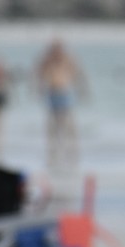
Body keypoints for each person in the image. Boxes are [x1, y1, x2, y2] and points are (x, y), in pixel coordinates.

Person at [36, 38, 87, 169]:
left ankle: (72, 155)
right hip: (52, 95)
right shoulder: (47, 61)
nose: (56, 51)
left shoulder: (67, 60)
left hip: (64, 95)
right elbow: (38, 75)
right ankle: (53, 156)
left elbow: (78, 75)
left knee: (69, 127)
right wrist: (39, 89)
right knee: (52, 128)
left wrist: (82, 91)